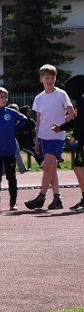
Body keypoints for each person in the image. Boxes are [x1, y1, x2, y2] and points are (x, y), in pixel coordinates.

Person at [25, 64, 74, 210]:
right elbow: (39, 119)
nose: (50, 80)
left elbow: (71, 113)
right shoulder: (39, 98)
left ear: (55, 78)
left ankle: (41, 196)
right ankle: (57, 199)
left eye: (52, 77)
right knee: (51, 169)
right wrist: (37, 139)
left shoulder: (61, 94)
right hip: (43, 136)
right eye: (46, 77)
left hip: (56, 136)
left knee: (47, 166)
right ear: (41, 79)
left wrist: (61, 126)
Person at [0, 87, 27, 212]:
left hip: (9, 150)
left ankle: (13, 203)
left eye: (6, 97)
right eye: (1, 97)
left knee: (11, 177)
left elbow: (24, 119)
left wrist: (15, 128)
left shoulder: (11, 112)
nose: (4, 99)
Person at [56, 74, 84, 211]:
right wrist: (61, 127)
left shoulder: (83, 100)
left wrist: (75, 135)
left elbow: (82, 122)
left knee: (79, 168)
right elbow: (77, 121)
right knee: (79, 168)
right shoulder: (80, 100)